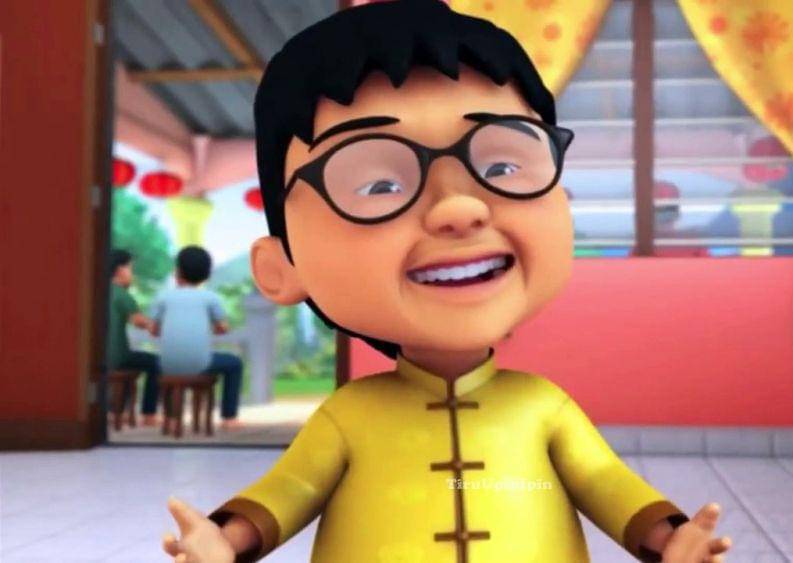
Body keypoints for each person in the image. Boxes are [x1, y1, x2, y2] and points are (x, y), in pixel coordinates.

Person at [163, 2, 732, 562]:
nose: (459, 208)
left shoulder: (543, 407)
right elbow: (291, 489)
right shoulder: (349, 416)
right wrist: (226, 540)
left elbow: (603, 481)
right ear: (279, 268)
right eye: (380, 185)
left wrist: (669, 538)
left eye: (502, 166)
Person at [151, 246, 243, 431]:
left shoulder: (163, 297)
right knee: (234, 363)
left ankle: (171, 417)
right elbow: (223, 328)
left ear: (178, 271)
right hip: (200, 363)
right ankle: (229, 417)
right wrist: (213, 328)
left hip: (168, 363)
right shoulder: (210, 298)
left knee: (163, 362)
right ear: (206, 274)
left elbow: (154, 330)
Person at [106, 248, 161, 426]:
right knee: (155, 363)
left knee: (129, 363)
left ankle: (116, 411)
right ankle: (149, 414)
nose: (132, 273)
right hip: (117, 357)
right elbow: (139, 322)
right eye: (130, 268)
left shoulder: (98, 291)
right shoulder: (122, 294)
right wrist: (155, 325)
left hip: (97, 357)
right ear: (120, 270)